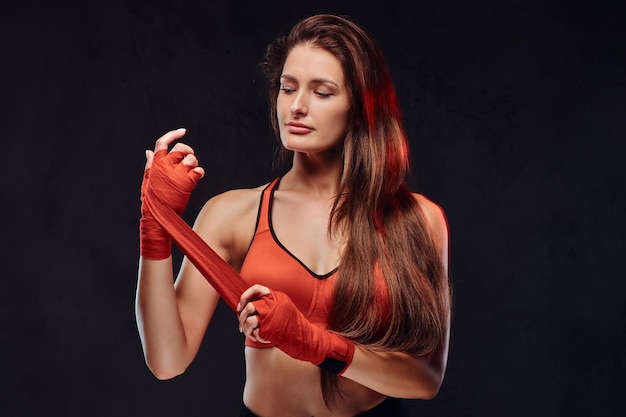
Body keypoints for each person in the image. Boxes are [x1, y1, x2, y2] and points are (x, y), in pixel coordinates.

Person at [135, 13, 451, 417]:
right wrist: (156, 224)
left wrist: (313, 343)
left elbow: (425, 379)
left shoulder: (418, 221)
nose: (297, 106)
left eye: (322, 92)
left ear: (360, 106)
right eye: (288, 88)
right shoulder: (232, 214)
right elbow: (167, 361)